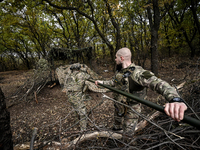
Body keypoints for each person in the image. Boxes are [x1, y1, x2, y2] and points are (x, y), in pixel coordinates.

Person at [95, 47, 187, 133]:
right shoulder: (119, 71)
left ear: (121, 58)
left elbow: (159, 83)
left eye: (116, 58)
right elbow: (113, 83)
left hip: (132, 109)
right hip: (119, 106)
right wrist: (101, 83)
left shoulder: (137, 73)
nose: (115, 60)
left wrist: (175, 99)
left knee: (128, 134)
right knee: (116, 127)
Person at [56, 63, 105, 131]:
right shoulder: (82, 75)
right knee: (83, 112)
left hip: (69, 95)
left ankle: (78, 122)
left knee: (76, 108)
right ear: (79, 68)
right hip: (77, 95)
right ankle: (83, 129)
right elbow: (90, 77)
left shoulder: (68, 76)